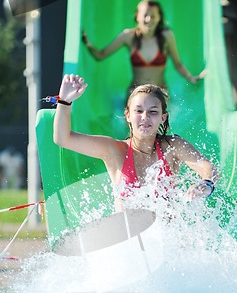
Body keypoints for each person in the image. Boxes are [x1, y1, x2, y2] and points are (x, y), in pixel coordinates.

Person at [53, 74, 219, 210]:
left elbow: (208, 167)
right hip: (130, 243)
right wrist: (64, 101)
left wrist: (206, 183)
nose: (145, 117)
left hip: (167, 242)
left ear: (163, 118)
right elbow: (63, 138)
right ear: (128, 116)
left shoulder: (172, 147)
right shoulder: (115, 150)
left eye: (153, 112)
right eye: (138, 111)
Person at [82, 0, 204, 95]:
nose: (149, 19)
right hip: (135, 92)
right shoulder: (128, 36)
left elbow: (178, 64)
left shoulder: (167, 36)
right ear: (137, 16)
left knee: (162, 124)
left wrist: (190, 77)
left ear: (160, 17)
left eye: (153, 15)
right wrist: (88, 43)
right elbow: (100, 55)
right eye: (145, 15)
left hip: (160, 91)